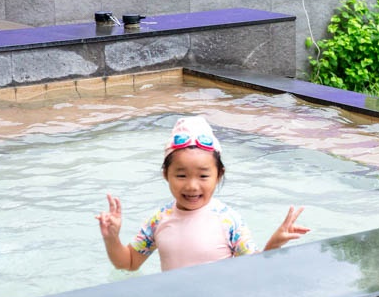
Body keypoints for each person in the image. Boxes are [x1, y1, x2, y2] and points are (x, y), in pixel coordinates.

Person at [97, 116, 309, 272]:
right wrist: (112, 238)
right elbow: (129, 263)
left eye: (203, 176)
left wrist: (274, 244)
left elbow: (254, 269)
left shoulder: (228, 221)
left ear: (219, 175)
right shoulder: (159, 219)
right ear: (165, 174)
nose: (192, 186)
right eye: (181, 175)